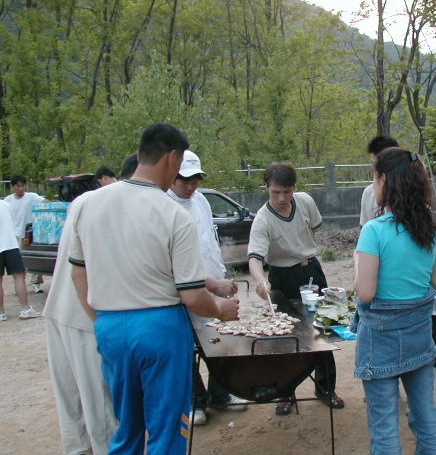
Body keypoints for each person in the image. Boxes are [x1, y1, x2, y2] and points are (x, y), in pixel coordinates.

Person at [69, 123, 240, 454]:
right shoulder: (173, 214)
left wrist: (101, 321)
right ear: (172, 157)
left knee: (127, 426)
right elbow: (192, 296)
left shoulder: (88, 204)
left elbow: (79, 274)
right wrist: (220, 310)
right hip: (160, 328)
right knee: (168, 429)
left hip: (109, 326)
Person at [353, 147, 436, 455]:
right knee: (426, 414)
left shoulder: (374, 231)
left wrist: (358, 263)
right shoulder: (429, 227)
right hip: (419, 336)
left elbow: (365, 292)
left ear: (385, 181)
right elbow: (435, 282)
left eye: (374, 179)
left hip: (381, 340)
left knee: (385, 424)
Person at [248, 162, 344, 416]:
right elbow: (255, 258)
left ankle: (325, 388)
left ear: (294, 188)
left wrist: (303, 249)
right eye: (276, 192)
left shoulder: (305, 201)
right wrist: (260, 281)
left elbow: (313, 227)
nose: (282, 198)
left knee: (321, 330)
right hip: (281, 276)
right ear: (266, 188)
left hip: (311, 271)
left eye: (287, 192)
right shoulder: (262, 220)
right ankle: (285, 393)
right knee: (285, 337)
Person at [167, 150, 248, 426]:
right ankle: (195, 402)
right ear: (172, 176)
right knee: (187, 350)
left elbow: (209, 243)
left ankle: (220, 394)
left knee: (221, 341)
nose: (191, 186)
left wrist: (220, 275)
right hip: (182, 294)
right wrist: (211, 283)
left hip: (212, 284)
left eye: (195, 180)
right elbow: (173, 263)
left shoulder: (200, 200)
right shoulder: (165, 205)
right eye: (185, 180)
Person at [43, 178, 117, 455]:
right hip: (83, 316)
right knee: (97, 399)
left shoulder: (81, 202)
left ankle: (78, 450)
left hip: (58, 308)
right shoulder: (104, 204)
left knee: (71, 401)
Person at [4, 174, 48, 293]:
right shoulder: (8, 200)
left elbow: (45, 202)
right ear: (13, 187)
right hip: (16, 234)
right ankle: (20, 284)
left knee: (35, 258)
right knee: (18, 262)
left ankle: (36, 282)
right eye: (18, 186)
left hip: (30, 232)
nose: (21, 188)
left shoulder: (32, 197)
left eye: (23, 186)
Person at [0, 199, 41, 320]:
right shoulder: (6, 205)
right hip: (11, 245)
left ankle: (1, 313)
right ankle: (25, 309)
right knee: (19, 277)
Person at [359, 136, 399, 227]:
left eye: (379, 164)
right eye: (373, 164)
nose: (375, 169)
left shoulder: (412, 193)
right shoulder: (369, 193)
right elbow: (363, 227)